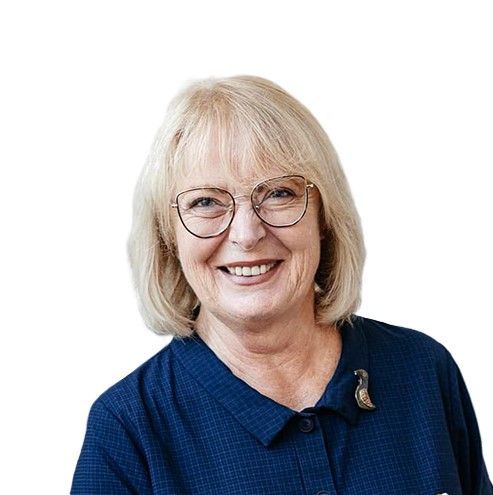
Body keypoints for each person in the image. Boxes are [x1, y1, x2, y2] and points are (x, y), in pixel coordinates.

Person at [71, 75, 492, 494]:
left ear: (324, 217)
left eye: (278, 193)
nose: (246, 234)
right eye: (206, 201)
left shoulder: (422, 371)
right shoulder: (128, 430)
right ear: (168, 237)